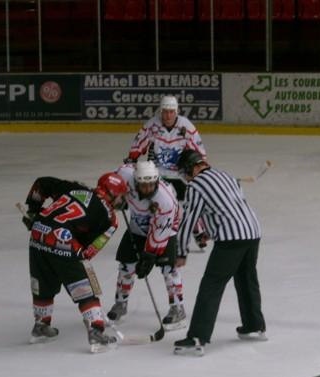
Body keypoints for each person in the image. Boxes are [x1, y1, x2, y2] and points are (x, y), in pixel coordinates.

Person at [172, 149, 266, 357]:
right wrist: (210, 231)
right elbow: (228, 208)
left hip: (231, 239)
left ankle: (197, 337)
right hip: (252, 232)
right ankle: (254, 325)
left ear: (191, 168)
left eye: (185, 173)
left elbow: (189, 219)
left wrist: (181, 252)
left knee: (211, 285)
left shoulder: (196, 185)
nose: (186, 178)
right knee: (247, 279)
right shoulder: (227, 176)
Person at [22, 173, 130, 353]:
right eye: (121, 196)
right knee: (85, 289)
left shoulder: (76, 189)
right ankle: (96, 332)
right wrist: (78, 259)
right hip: (62, 241)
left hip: (38, 234)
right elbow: (90, 249)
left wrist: (33, 211)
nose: (123, 201)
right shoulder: (110, 219)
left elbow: (42, 183)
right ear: (111, 194)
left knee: (43, 283)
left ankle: (41, 325)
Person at [106, 160, 186, 329]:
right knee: (126, 266)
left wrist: (148, 257)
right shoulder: (125, 174)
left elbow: (159, 234)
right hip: (137, 227)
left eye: (151, 185)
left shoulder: (165, 200)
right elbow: (110, 184)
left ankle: (178, 308)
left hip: (165, 230)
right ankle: (121, 303)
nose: (148, 189)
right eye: (143, 185)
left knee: (169, 269)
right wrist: (117, 197)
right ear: (136, 181)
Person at [126, 94, 210, 251]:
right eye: (165, 111)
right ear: (160, 111)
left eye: (171, 112)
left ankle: (197, 230)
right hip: (156, 173)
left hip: (179, 173)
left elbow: (199, 151)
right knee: (153, 203)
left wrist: (201, 168)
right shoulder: (152, 125)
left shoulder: (186, 126)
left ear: (176, 111)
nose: (168, 115)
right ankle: (147, 231)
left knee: (187, 201)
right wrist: (132, 158)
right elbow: (138, 143)